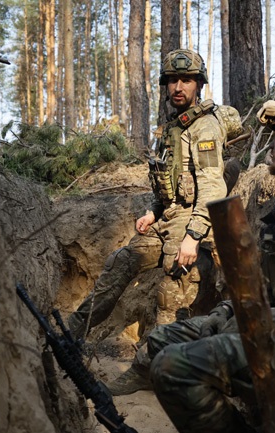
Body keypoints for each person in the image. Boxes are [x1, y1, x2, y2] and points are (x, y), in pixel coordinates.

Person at [109, 93, 275, 431]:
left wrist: (269, 323)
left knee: (172, 368)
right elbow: (270, 286)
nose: (270, 145)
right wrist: (226, 314)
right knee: (164, 338)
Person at [67, 49, 232, 354]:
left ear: (199, 84)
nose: (178, 87)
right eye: (172, 80)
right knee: (122, 261)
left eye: (186, 80)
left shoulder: (205, 127)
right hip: (169, 217)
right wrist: (153, 213)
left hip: (195, 219)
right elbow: (168, 185)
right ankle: (69, 336)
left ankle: (158, 364)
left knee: (173, 282)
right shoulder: (172, 129)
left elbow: (212, 187)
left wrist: (193, 237)